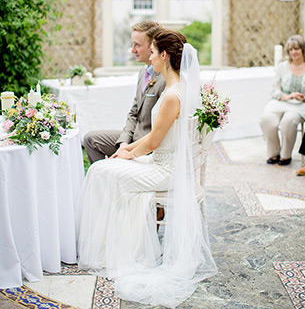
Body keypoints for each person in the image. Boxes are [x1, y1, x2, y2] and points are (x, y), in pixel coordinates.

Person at [76, 30, 217, 307]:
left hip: (166, 170)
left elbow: (153, 141)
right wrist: (125, 150)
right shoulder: (180, 88)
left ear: (164, 55)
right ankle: (113, 244)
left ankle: (114, 250)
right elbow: (155, 139)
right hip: (164, 162)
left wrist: (127, 155)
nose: (149, 57)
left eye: (152, 52)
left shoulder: (172, 96)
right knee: (104, 170)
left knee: (100, 172)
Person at [83, 20, 165, 164]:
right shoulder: (143, 72)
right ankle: (106, 181)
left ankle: (115, 174)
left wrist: (128, 151)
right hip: (132, 138)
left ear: (153, 46)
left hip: (148, 145)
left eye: (137, 45)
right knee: (91, 140)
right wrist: (123, 144)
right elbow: (133, 113)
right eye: (132, 44)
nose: (133, 50)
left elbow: (159, 131)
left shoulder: (165, 78)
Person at [259, 34, 305, 165]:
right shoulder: (282, 67)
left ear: (303, 49)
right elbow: (274, 89)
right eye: (291, 49)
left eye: (296, 49)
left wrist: (304, 98)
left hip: (300, 105)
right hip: (281, 101)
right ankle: (273, 153)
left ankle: (285, 155)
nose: (293, 52)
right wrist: (287, 96)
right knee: (266, 119)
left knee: (289, 121)